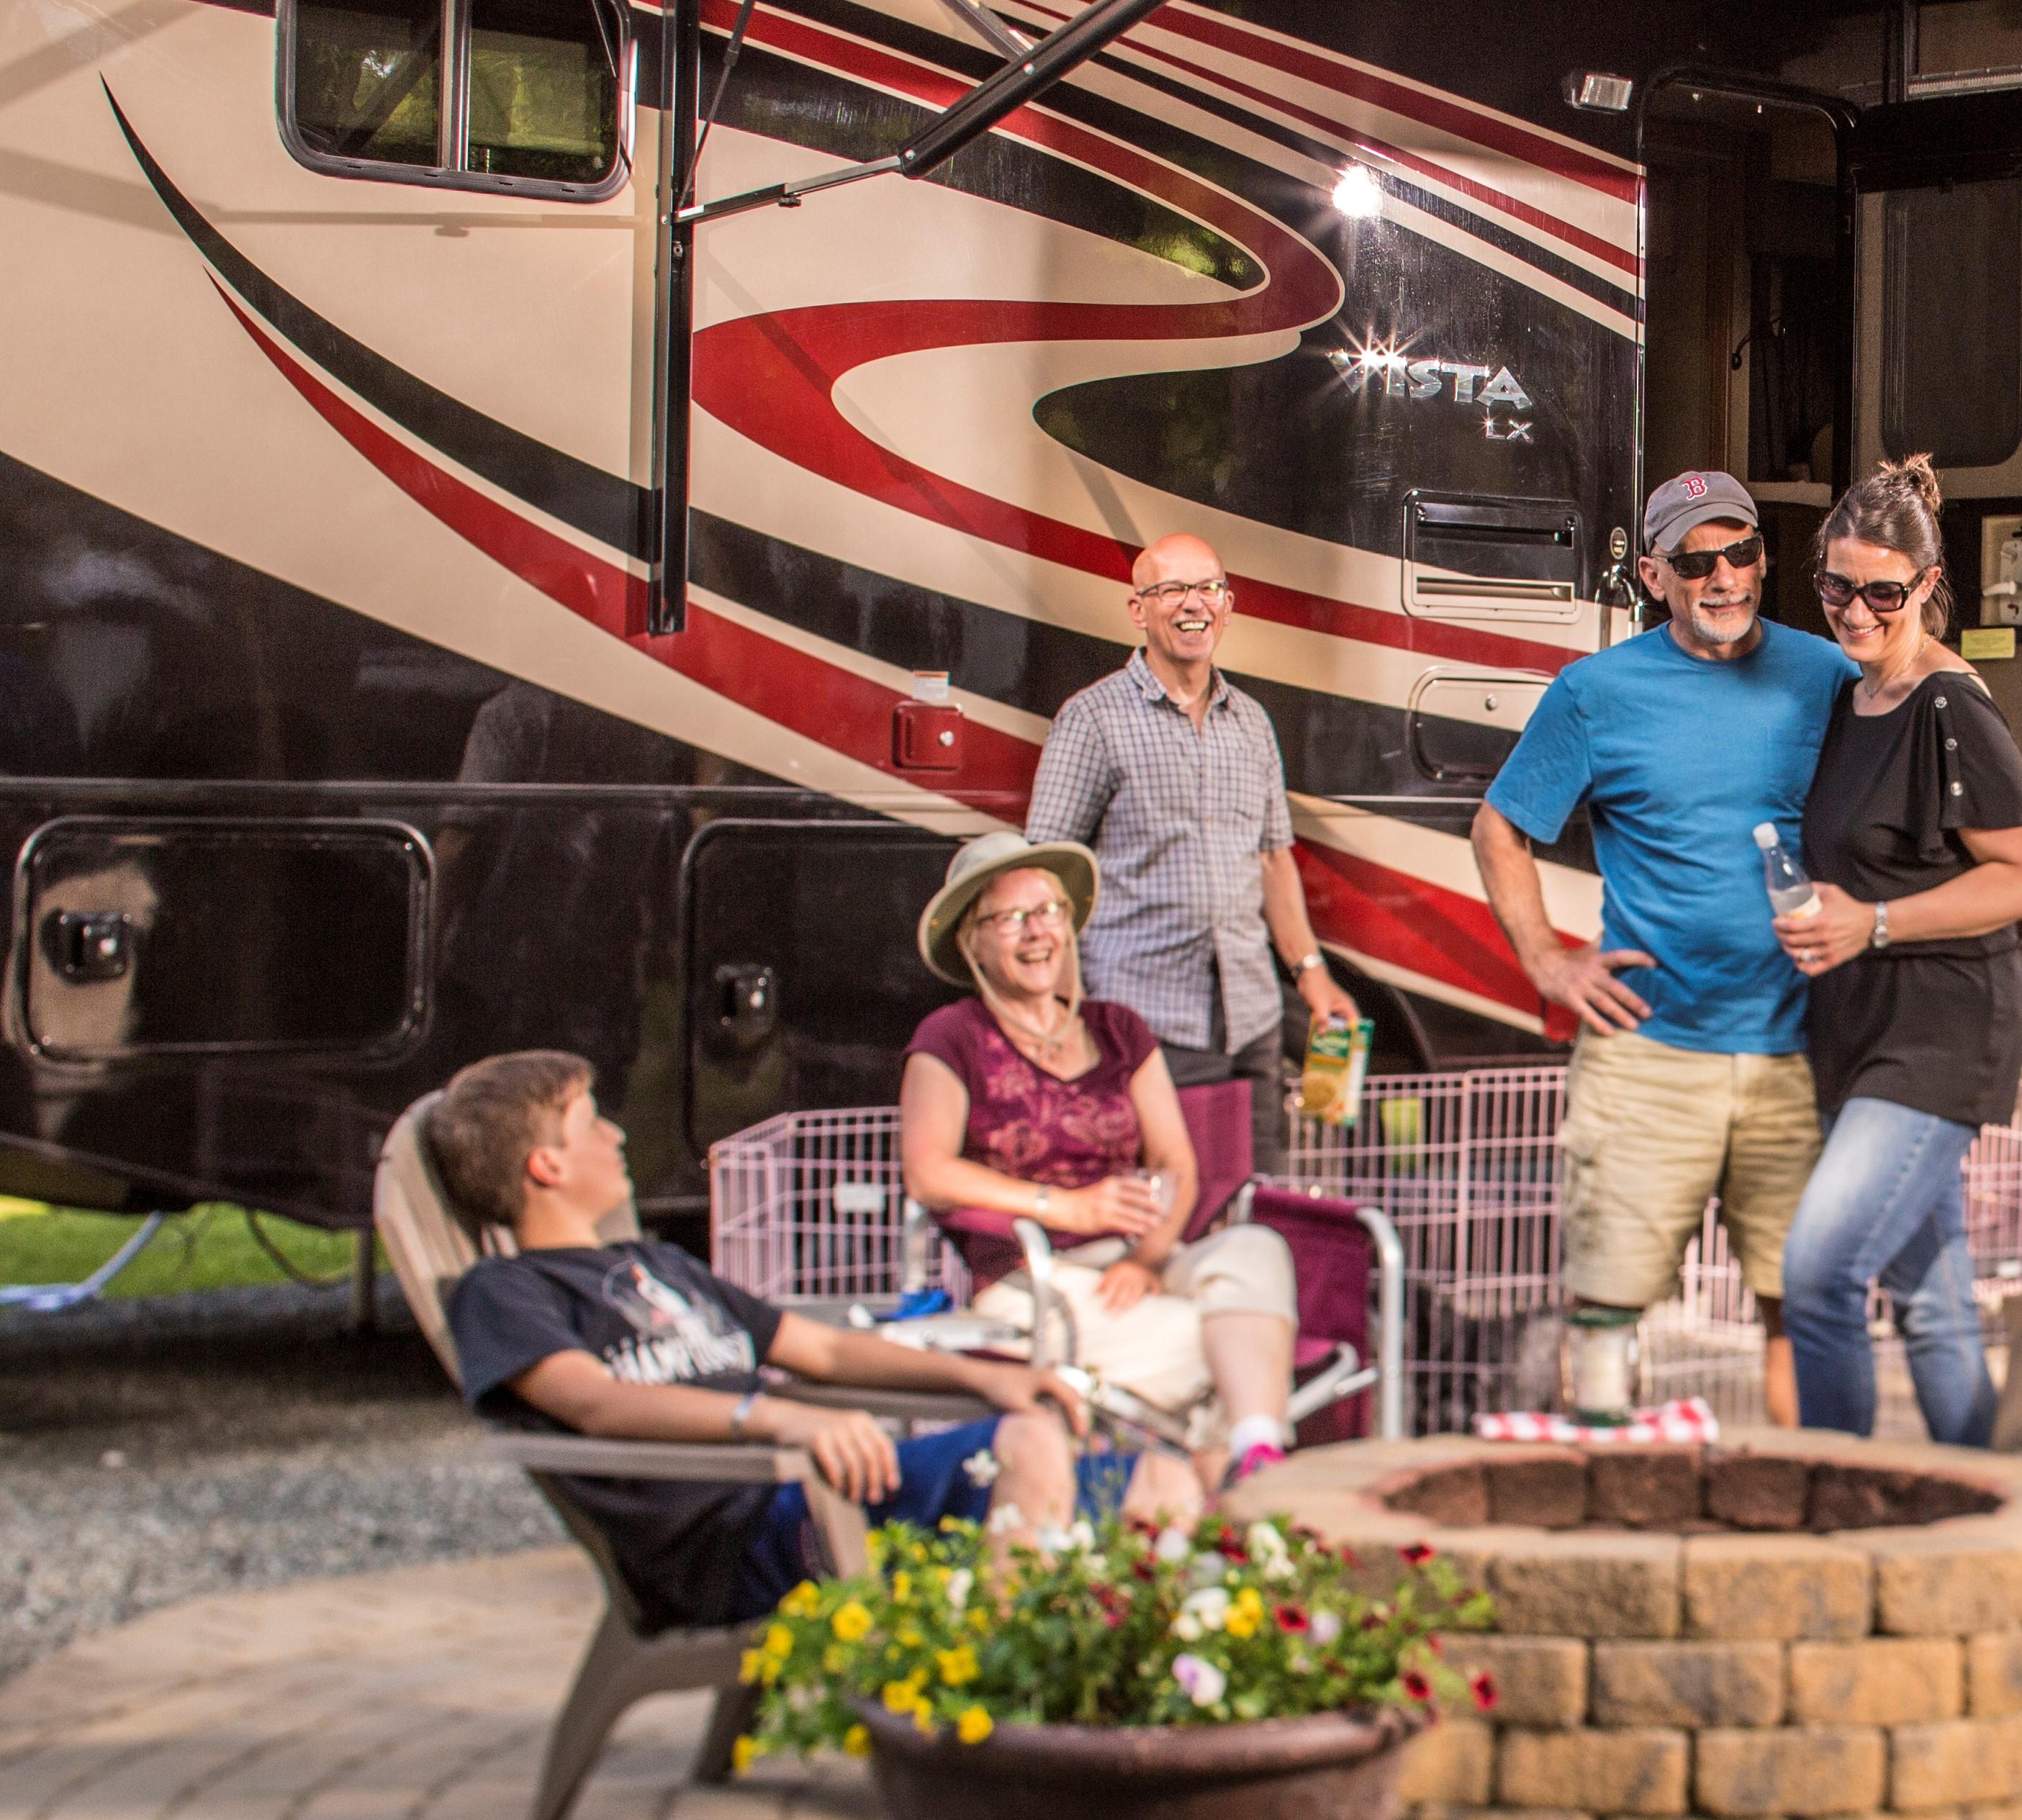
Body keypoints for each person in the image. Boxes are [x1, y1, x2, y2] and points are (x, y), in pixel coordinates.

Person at [432, 1049, 1085, 1634]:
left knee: (1133, 1474)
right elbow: (593, 1401)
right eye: (592, 1122)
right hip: (741, 1534)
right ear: (547, 1165)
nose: (616, 1135)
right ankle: (1008, 1698)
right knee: (1027, 1446)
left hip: (813, 1494)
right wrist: (773, 1418)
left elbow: (825, 1350)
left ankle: (1036, 1689)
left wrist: (987, 1376)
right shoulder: (504, 1289)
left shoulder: (659, 1264)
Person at [1473, 471, 1855, 1424]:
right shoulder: (1596, 692)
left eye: (1741, 553)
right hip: (1647, 1052)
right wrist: (1546, 960)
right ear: (1653, 576)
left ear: (1764, 559)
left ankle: (1800, 1502)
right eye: (1695, 562)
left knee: (1801, 1309)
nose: (1723, 578)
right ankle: (1604, 1486)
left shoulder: (1827, 674)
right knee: (1606, 1309)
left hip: (1801, 1052)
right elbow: (1500, 827)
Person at [1769, 458, 2022, 1445]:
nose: (1855, 611)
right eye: (1836, 587)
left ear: (1928, 586)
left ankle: (1837, 1502)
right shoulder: (1853, 696)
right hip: (1856, 1025)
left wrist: (1874, 922)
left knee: (1818, 1273)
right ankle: (1992, 1500)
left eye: (1883, 593)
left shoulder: (1950, 704)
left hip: (1941, 1028)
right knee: (1932, 1304)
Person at [896, 828, 1303, 1500]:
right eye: (1011, 918)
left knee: (1256, 1249)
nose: (1037, 931)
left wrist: (1148, 1259)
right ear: (974, 942)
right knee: (1222, 1346)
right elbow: (928, 1172)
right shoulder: (952, 1036)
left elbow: (1175, 1161)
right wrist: (1067, 1207)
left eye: (1049, 910)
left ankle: (1253, 1452)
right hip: (1033, 1279)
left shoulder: (1119, 1028)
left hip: (1134, 1261)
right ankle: (1231, 1500)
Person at [1028, 531, 1362, 1180]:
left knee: (1253, 1195)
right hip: (1143, 1020)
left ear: (1228, 606)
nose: (1193, 604)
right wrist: (1061, 1005)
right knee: (1165, 1203)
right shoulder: (1092, 719)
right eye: (1172, 589)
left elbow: (1273, 860)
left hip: (1251, 1017)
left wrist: (1312, 974)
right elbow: (1046, 874)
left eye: (1208, 588)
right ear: (1138, 610)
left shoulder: (1252, 723)